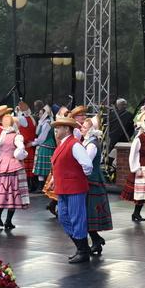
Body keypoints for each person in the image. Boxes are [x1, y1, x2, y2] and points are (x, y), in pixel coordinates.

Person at [50, 116, 94, 264]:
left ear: (66, 129)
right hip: (63, 188)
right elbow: (59, 165)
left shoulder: (74, 145)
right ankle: (82, 247)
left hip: (74, 188)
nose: (56, 130)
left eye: (59, 127)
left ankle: (82, 251)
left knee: (77, 218)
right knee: (63, 217)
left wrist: (77, 177)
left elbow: (87, 165)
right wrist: (54, 179)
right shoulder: (63, 144)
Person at [0, 114, 30, 231]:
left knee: (3, 191)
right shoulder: (17, 137)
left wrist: (3, 156)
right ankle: (6, 219)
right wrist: (21, 155)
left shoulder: (2, 136)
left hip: (0, 164)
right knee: (13, 192)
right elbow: (19, 151)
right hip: (13, 165)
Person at [81, 117, 113, 255]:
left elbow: (86, 162)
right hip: (90, 180)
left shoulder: (92, 145)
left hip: (92, 181)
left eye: (84, 127)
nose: (81, 129)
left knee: (90, 212)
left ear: (90, 130)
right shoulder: (87, 142)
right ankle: (96, 241)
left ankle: (96, 240)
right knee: (87, 213)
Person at [32, 104, 56, 188]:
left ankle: (43, 186)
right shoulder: (43, 122)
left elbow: (42, 138)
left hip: (46, 145)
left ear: (45, 114)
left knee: (43, 168)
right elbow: (37, 132)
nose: (39, 115)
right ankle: (42, 186)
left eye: (41, 114)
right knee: (43, 167)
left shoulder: (47, 123)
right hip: (44, 144)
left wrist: (33, 143)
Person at [16, 101, 38, 191]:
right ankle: (33, 185)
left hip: (25, 146)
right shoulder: (32, 119)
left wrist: (17, 112)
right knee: (31, 167)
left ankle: (29, 186)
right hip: (31, 146)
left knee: (26, 167)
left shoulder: (21, 119)